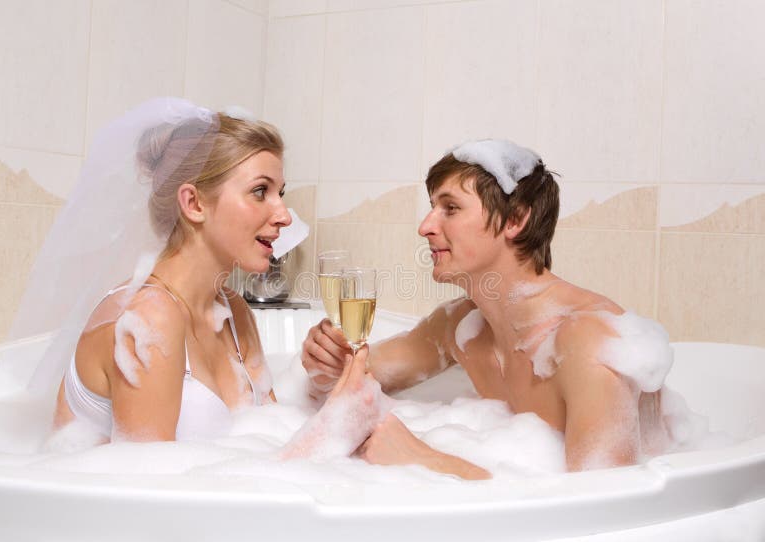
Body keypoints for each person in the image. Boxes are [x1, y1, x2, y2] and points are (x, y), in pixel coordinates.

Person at [301, 140, 674, 478]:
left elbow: (604, 510)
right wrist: (325, 357)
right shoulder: (462, 326)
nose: (425, 226)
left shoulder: (591, 343)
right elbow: (353, 376)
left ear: (516, 219)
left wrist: (424, 458)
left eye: (450, 208)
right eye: (433, 208)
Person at [35, 98, 378, 447]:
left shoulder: (234, 312)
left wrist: (327, 389)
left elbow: (272, 445)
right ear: (194, 204)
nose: (285, 216)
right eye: (261, 191)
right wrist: (330, 432)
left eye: (280, 193)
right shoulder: (149, 320)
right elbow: (145, 492)